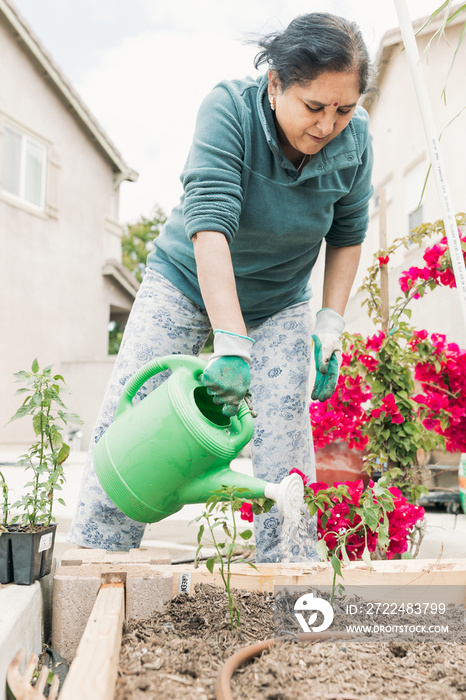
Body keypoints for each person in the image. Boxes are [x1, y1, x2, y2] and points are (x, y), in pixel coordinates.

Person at [68, 12, 375, 563]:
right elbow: (209, 224)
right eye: (314, 106)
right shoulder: (228, 110)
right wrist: (231, 344)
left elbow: (348, 233)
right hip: (186, 279)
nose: (329, 124)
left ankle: (288, 573)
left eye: (344, 109)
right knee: (134, 411)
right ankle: (96, 560)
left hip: (281, 297)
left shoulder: (356, 139)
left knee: (284, 437)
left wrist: (330, 325)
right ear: (276, 83)